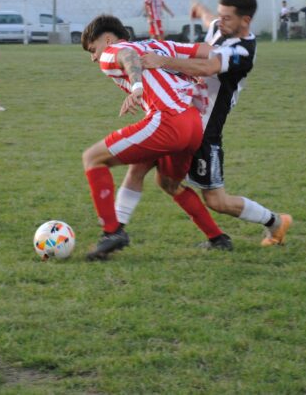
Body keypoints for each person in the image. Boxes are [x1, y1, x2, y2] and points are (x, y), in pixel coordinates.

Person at [118, 0, 292, 248]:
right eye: (220, 15)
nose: (221, 21)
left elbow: (208, 67)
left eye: (228, 18)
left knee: (216, 201)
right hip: (176, 117)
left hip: (204, 132)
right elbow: (208, 17)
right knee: (143, 168)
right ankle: (114, 231)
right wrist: (197, 6)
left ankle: (275, 222)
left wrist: (161, 60)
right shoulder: (221, 27)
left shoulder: (242, 52)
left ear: (246, 21)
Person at [80, 14, 236, 260]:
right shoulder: (157, 45)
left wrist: (137, 87)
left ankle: (112, 233)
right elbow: (210, 51)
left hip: (168, 121)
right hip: (194, 123)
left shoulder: (113, 50)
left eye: (93, 49)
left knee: (92, 158)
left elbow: (126, 57)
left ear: (107, 39)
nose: (93, 57)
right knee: (164, 182)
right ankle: (218, 239)